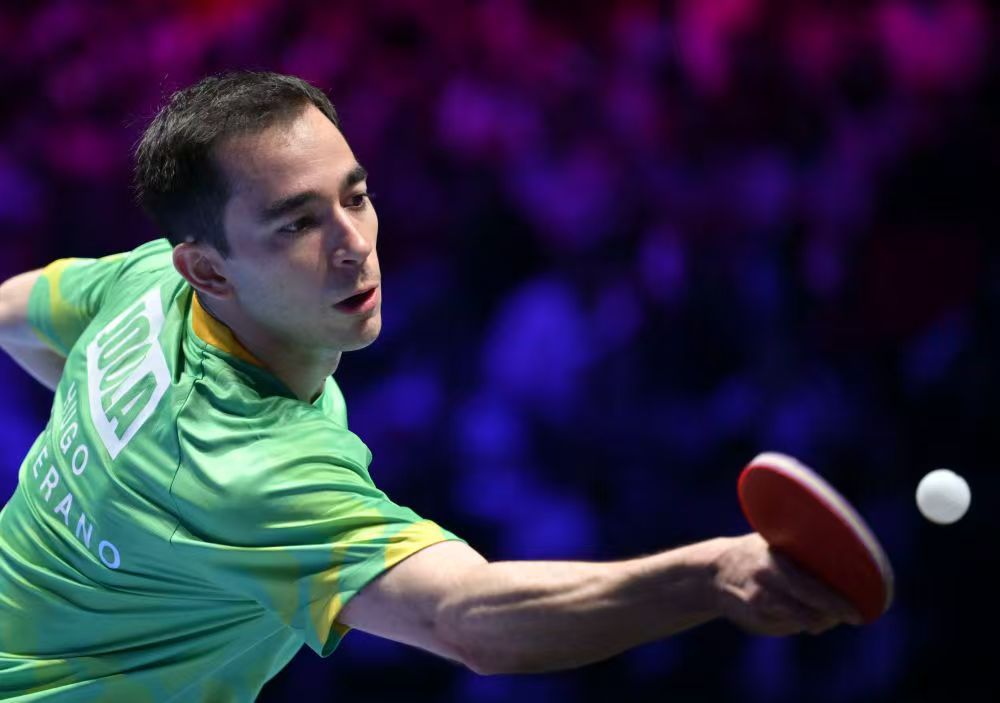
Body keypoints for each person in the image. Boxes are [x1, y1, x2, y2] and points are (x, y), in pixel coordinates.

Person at [0, 71, 860, 701]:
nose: (353, 244)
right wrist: (710, 574)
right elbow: (469, 619)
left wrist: (103, 437)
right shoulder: (248, 465)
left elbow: (13, 312)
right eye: (297, 224)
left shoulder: (146, 284)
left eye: (356, 197)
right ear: (210, 269)